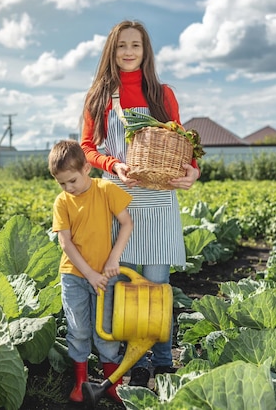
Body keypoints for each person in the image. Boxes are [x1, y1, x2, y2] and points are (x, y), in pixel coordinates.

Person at [80, 20, 200, 388]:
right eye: (121, 46)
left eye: (136, 45)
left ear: (146, 52)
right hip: (119, 200)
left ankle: (163, 362)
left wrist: (192, 171)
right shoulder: (98, 97)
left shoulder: (163, 94)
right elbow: (88, 149)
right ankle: (136, 363)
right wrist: (115, 164)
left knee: (157, 285)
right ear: (111, 52)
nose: (129, 52)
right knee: (124, 286)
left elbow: (181, 144)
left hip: (159, 200)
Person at [49, 139, 134, 403]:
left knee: (106, 331)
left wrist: (112, 260)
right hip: (74, 276)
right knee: (78, 330)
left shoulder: (106, 189)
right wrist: (90, 274)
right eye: (62, 183)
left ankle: (112, 384)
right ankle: (81, 383)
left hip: (104, 276)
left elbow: (126, 224)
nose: (68, 188)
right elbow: (65, 243)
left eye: (71, 181)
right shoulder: (62, 202)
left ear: (87, 168)